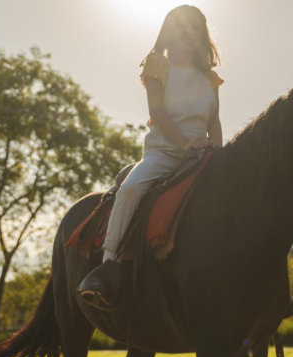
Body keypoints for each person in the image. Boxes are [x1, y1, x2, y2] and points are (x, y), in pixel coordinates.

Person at [78, 5, 224, 311]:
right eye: (181, 28)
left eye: (195, 28)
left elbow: (214, 121)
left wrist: (218, 152)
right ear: (169, 33)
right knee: (131, 188)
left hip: (203, 157)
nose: (189, 34)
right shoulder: (158, 64)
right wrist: (186, 144)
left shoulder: (209, 78)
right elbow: (156, 113)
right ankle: (108, 266)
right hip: (166, 154)